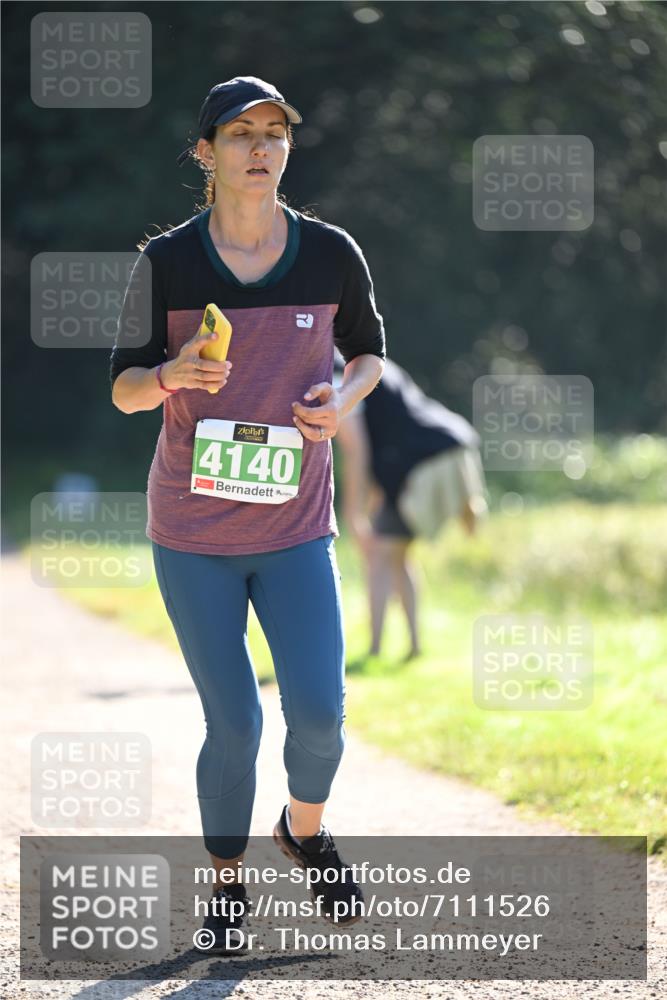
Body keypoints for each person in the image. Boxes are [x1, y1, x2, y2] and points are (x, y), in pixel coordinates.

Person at [109, 76, 385, 951]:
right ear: (206, 152)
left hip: (295, 528)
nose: (261, 147)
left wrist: (340, 398)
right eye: (240, 133)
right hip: (193, 535)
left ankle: (304, 832)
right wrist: (169, 374)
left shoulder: (330, 252)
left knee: (320, 716)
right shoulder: (167, 263)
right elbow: (123, 389)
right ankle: (226, 886)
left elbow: (368, 354)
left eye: (275, 132)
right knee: (234, 723)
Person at [333, 352, 488, 661]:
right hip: (434, 450)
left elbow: (357, 450)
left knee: (380, 554)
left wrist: (353, 514)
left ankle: (376, 651)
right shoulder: (362, 356)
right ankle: (409, 648)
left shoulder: (337, 372)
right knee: (395, 554)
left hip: (423, 461)